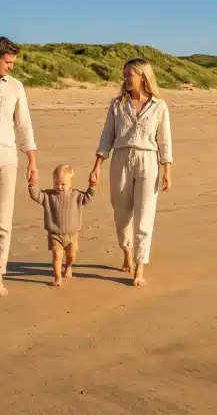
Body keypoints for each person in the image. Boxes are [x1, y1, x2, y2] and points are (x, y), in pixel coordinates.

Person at [89, 58, 173, 287]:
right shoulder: (117, 105)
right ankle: (126, 251)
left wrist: (167, 169)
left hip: (148, 161)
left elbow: (164, 141)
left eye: (130, 75)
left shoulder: (159, 106)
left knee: (145, 215)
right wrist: (97, 166)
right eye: (124, 75)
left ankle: (140, 266)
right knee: (122, 214)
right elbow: (107, 137)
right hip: (121, 160)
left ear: (143, 77)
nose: (126, 79)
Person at [0, 37, 38, 297]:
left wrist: (32, 160)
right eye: (7, 61)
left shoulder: (15, 87)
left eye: (13, 62)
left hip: (7, 157)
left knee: (3, 220)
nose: (12, 66)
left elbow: (24, 125)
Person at [28, 164, 95, 287]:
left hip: (72, 234)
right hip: (55, 234)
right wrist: (32, 184)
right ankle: (58, 276)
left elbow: (88, 197)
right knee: (57, 256)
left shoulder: (76, 195)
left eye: (63, 184)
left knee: (71, 256)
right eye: (56, 183)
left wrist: (92, 185)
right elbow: (36, 195)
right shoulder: (48, 196)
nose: (59, 187)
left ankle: (68, 267)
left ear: (70, 183)